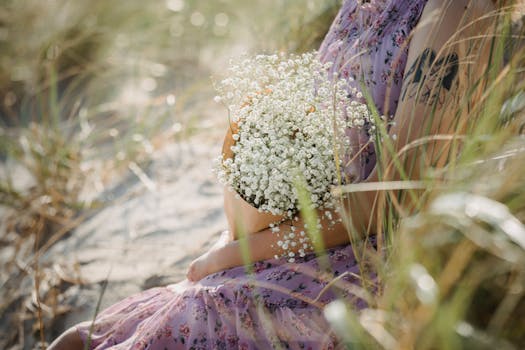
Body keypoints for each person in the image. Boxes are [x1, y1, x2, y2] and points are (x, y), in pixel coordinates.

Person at [49, 0, 501, 348]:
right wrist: (237, 234)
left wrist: (227, 258)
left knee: (171, 321)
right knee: (82, 339)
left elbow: (393, 198)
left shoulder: (453, 10)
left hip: (367, 257)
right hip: (305, 238)